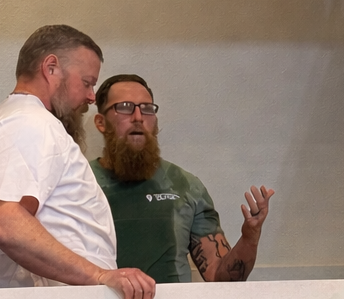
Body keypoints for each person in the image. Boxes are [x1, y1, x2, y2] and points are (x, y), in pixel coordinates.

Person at [0, 26, 156, 299]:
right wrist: (99, 276)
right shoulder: (27, 123)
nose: (91, 97)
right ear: (51, 68)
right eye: (87, 82)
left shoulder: (24, 121)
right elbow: (4, 222)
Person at [90, 73, 274, 284]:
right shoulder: (80, 183)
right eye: (125, 107)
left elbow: (222, 278)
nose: (138, 117)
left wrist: (250, 236)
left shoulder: (185, 186)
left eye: (147, 109)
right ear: (101, 122)